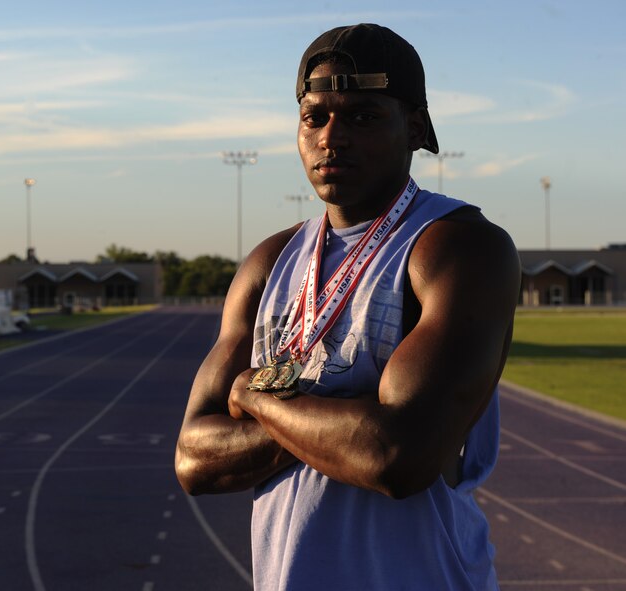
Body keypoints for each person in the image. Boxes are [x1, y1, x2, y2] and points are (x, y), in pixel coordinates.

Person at [175, 23, 520, 591]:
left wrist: (253, 397)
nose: (332, 138)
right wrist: (341, 417)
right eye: (316, 117)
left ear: (414, 127)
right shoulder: (269, 261)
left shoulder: (456, 246)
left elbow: (395, 456)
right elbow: (194, 460)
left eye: (363, 116)